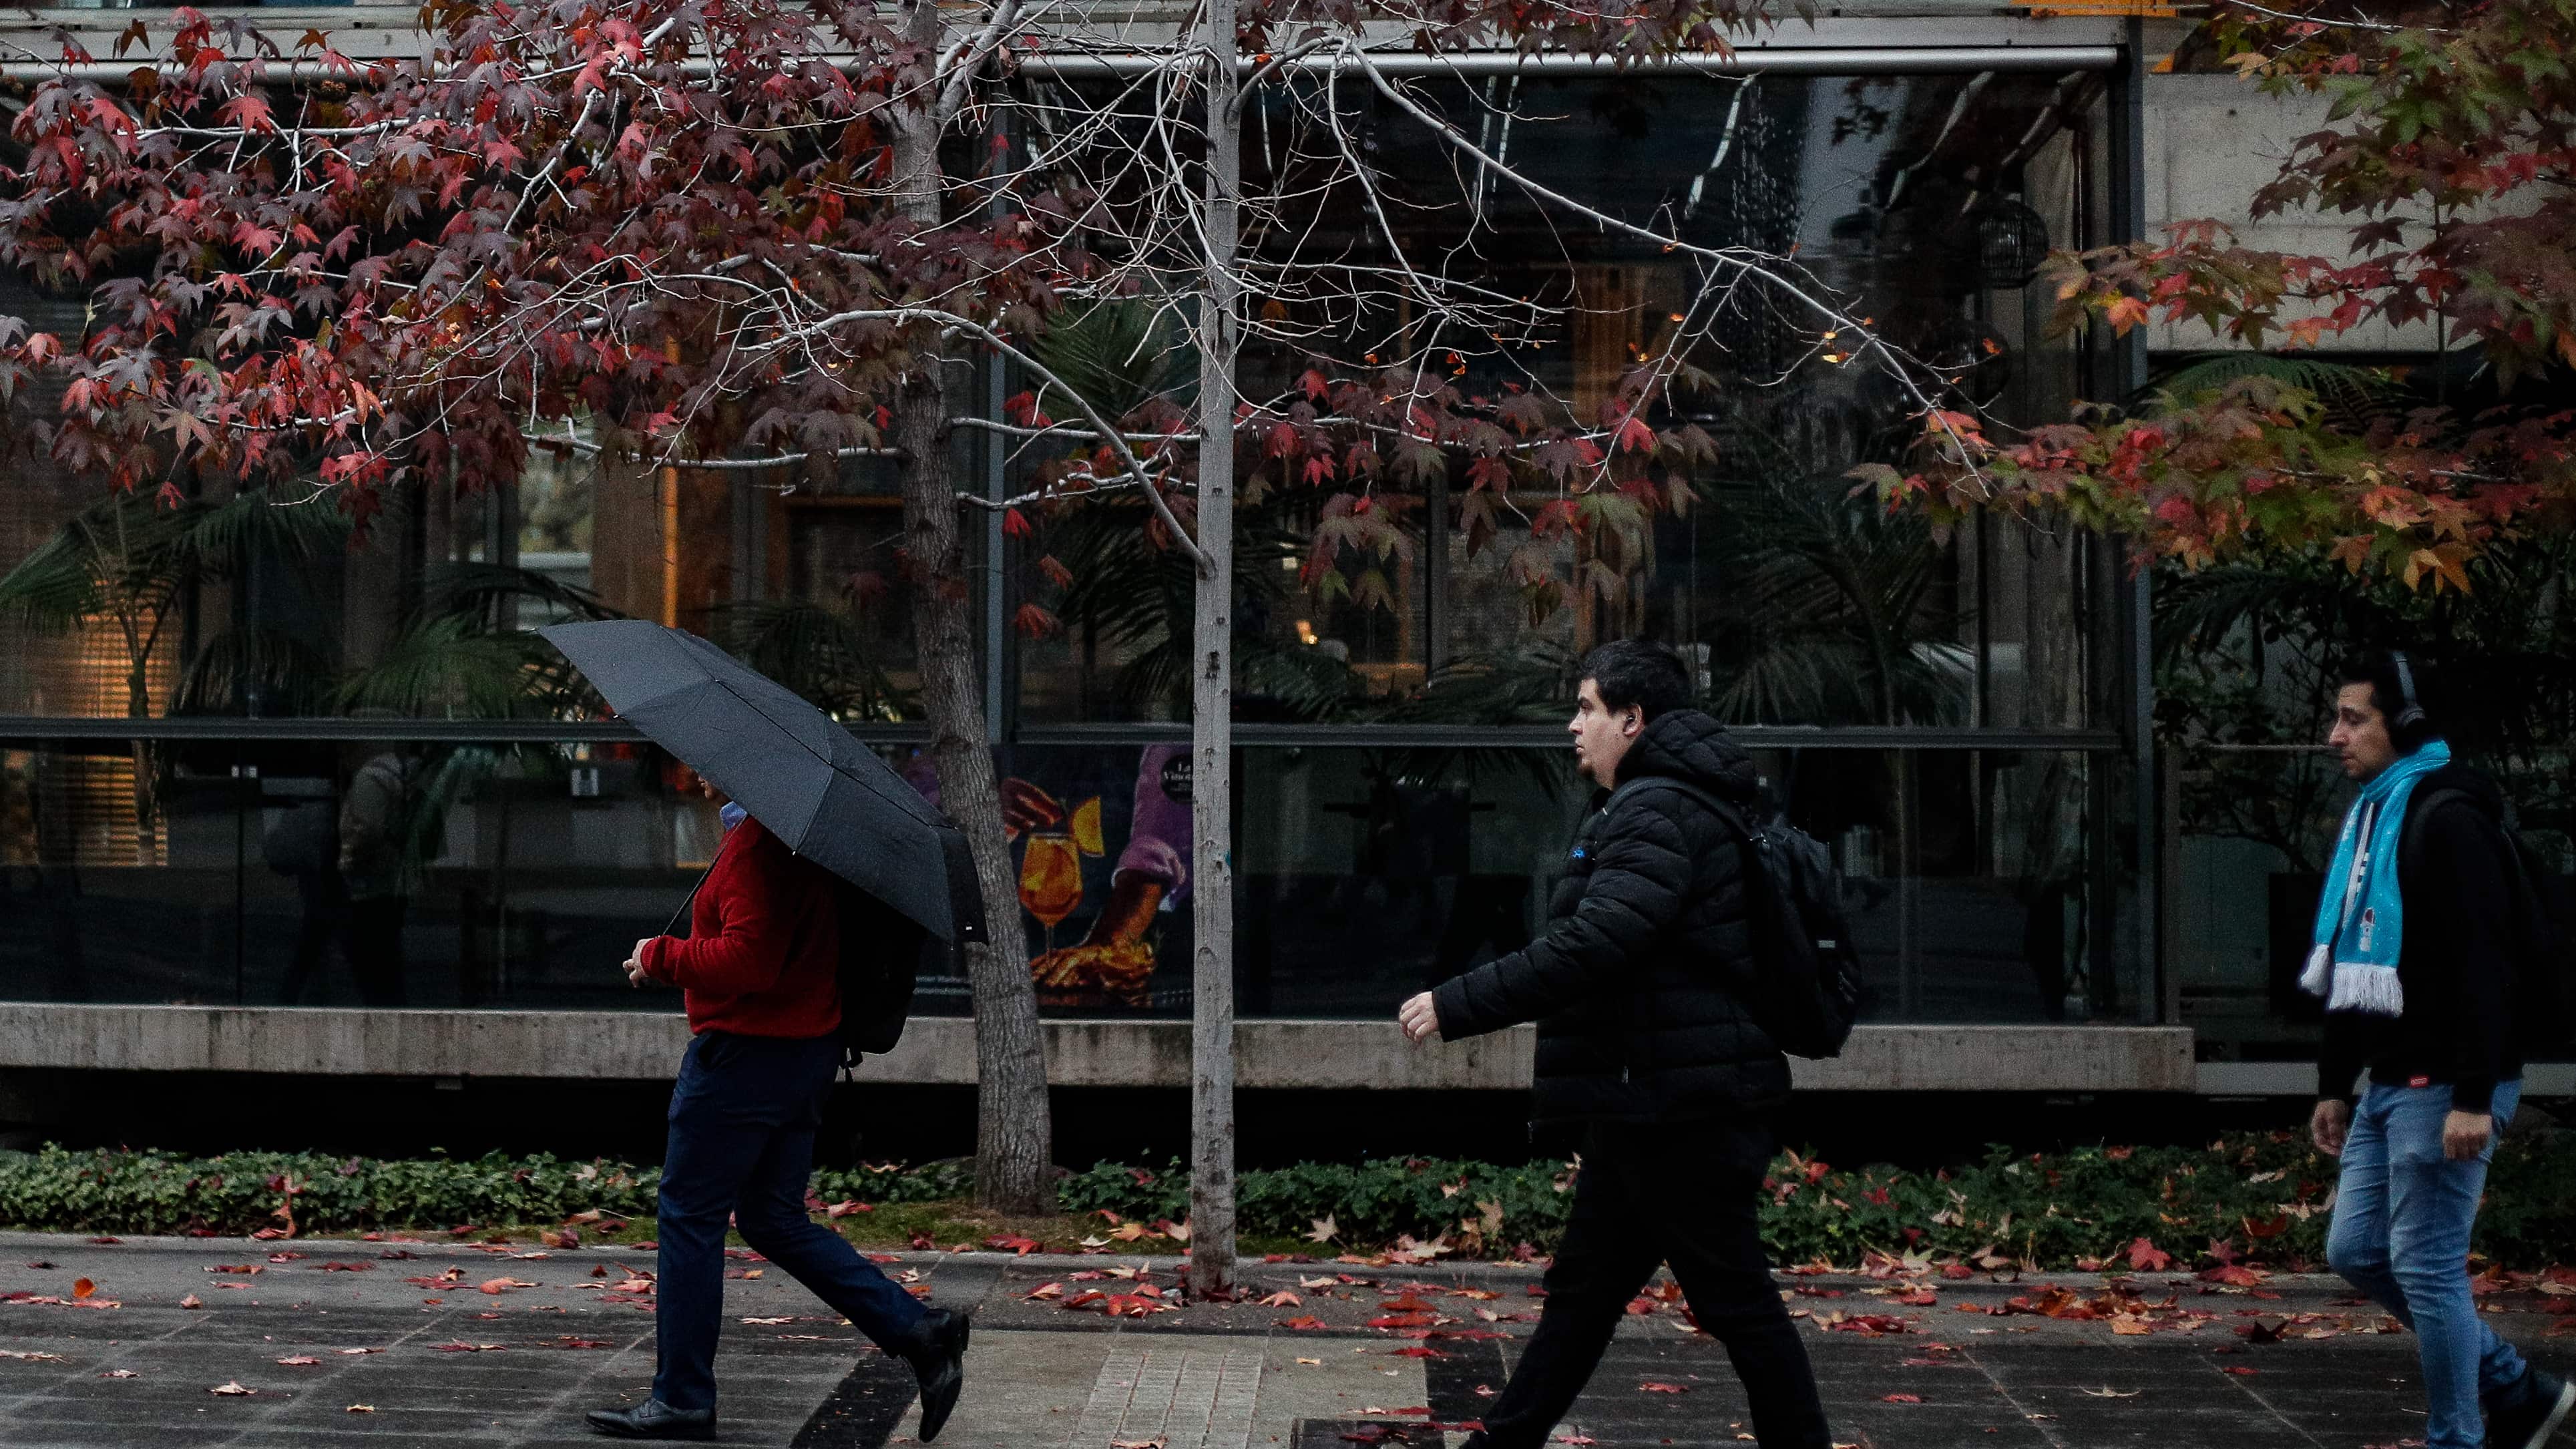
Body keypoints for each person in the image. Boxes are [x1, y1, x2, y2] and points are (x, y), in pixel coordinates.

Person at [1396, 639, 1830, 1449]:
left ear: (1635, 720)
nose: (1574, 726)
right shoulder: (1670, 803)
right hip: (1651, 1100)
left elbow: (1594, 943)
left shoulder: (1657, 810)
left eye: (1589, 708)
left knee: (1738, 1305)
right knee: (1584, 1298)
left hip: (1682, 1108)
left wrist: (1457, 1003)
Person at [586, 776, 969, 1443]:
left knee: (688, 1218)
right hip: (802, 1055)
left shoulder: (760, 849)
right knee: (771, 1217)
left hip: (744, 1062)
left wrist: (658, 956)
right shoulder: (788, 843)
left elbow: (750, 959)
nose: (697, 774)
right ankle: (920, 1332)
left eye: (706, 762)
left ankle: (681, 1398)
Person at [2306, 652, 2569, 1449]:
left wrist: (2471, 1093)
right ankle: (2514, 1386)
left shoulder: (2448, 819)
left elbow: (2488, 963)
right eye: (2338, 717)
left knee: (2425, 1265)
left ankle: (2458, 1435)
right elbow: (2360, 962)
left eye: (2354, 718)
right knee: (2355, 1249)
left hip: (2445, 1082)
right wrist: (2332, 1083)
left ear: (2407, 726)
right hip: (2391, 1079)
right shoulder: (2376, 820)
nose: (2335, 735)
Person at [337, 745, 419, 1006]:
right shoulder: (399, 776)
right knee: (386, 962)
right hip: (391, 882)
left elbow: (367, 830)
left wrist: (347, 861)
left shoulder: (370, 778)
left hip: (370, 885)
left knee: (372, 964)